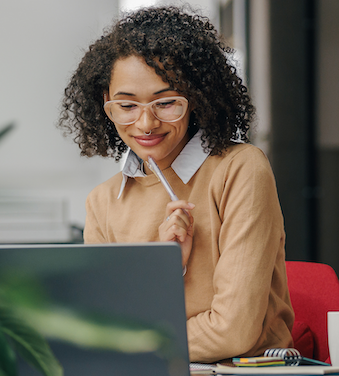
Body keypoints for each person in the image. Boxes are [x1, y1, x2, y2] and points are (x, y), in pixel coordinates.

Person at [57, 5, 294, 363]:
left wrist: (129, 341)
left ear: (197, 97)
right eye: (127, 105)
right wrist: (167, 269)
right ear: (106, 103)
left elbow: (234, 332)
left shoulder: (240, 169)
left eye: (166, 103)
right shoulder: (103, 202)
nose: (146, 123)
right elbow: (106, 327)